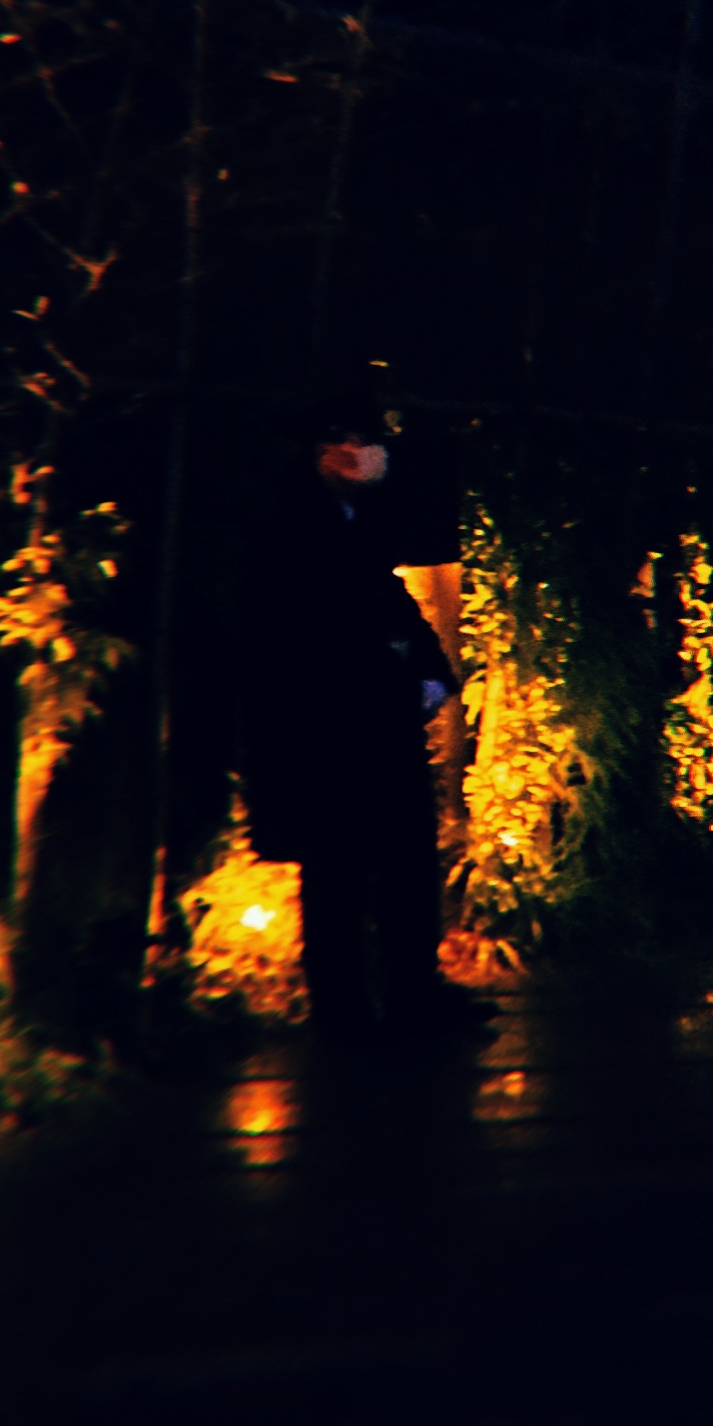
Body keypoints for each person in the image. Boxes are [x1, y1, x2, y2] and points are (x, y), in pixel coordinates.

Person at [234, 388, 468, 1045]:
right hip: (329, 726)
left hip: (371, 717)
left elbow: (383, 596)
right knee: (339, 867)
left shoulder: (357, 519)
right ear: (322, 451)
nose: (365, 453)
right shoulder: (294, 525)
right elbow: (325, 622)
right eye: (351, 441)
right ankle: (348, 1013)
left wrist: (426, 670)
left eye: (369, 441)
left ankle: (408, 996)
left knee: (396, 860)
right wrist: (402, 668)